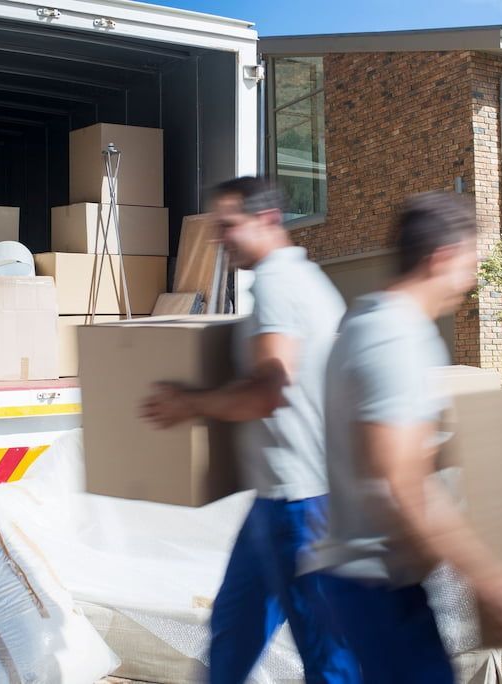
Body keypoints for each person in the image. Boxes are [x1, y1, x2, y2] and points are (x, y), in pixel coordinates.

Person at [305, 191, 502, 682]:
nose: (474, 278)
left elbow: (387, 457)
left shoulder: (366, 321)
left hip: (376, 582)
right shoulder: (395, 337)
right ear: (442, 258)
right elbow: (402, 482)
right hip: (377, 586)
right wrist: (499, 585)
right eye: (471, 262)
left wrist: (470, 441)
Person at [140, 177, 359, 684]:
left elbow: (269, 390)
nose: (220, 238)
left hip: (302, 504)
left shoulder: (283, 285)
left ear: (268, 220)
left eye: (229, 225)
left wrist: (188, 404)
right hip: (277, 499)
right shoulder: (304, 279)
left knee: (328, 659)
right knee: (234, 631)